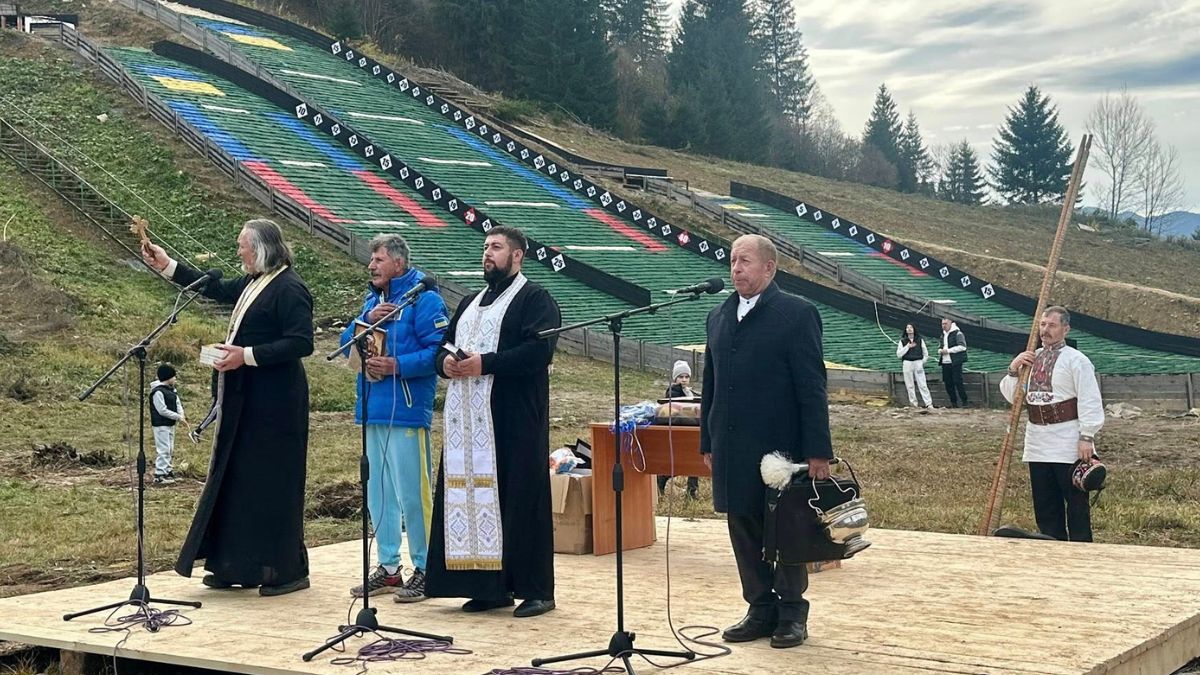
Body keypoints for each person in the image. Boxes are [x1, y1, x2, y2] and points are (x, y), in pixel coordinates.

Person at [142, 218, 314, 597]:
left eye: (243, 246)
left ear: (262, 248)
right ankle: (236, 564)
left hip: (276, 405)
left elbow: (301, 343)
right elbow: (215, 287)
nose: (238, 252)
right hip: (244, 399)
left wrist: (246, 356)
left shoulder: (290, 288)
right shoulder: (254, 283)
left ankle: (283, 569)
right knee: (238, 479)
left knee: (271, 483)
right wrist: (167, 265)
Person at [701, 234, 833, 649]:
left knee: (784, 531)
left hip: (780, 450)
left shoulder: (796, 314)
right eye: (732, 260)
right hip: (731, 445)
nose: (735, 268)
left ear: (769, 268)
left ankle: (792, 612)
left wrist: (818, 451)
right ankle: (760, 608)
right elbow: (711, 384)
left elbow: (812, 387)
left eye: (744, 261)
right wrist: (707, 439)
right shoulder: (719, 316)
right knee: (742, 525)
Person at [424, 226, 561, 618]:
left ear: (517, 256)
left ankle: (537, 589)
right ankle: (487, 587)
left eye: (496, 247)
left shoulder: (536, 299)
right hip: (467, 425)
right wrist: (445, 364)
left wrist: (486, 363)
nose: (488, 253)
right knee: (474, 500)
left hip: (514, 419)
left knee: (522, 500)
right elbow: (443, 348)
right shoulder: (468, 301)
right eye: (485, 247)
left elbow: (539, 352)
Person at [339, 234, 448, 602]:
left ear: (398, 264)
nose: (371, 264)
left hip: (405, 412)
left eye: (379, 259)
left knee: (414, 495)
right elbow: (345, 344)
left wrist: (397, 365)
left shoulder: (425, 299)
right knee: (378, 493)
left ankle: (426, 567)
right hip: (372, 409)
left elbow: (438, 353)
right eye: (372, 258)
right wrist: (364, 319)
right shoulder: (373, 301)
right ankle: (388, 568)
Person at [1000, 306, 1104, 542]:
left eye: (1052, 325)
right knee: (1045, 503)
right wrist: (1014, 369)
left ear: (1065, 329)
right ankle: (1051, 545)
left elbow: (1090, 398)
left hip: (1068, 440)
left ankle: (1081, 550)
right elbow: (1014, 398)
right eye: (1043, 325)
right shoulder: (1031, 357)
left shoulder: (1077, 361)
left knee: (1076, 504)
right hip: (1037, 440)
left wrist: (1087, 435)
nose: (1045, 330)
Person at [658, 359, 700, 499]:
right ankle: (662, 480)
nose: (684, 379)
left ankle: (691, 492)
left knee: (694, 462)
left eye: (686, 377)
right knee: (680, 462)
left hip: (692, 430)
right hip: (679, 431)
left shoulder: (691, 393)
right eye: (681, 377)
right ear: (675, 378)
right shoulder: (673, 393)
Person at [149, 363, 186, 485]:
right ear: (167, 377)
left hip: (170, 424)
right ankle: (159, 474)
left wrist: (181, 415)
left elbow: (178, 403)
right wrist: (177, 417)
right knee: (163, 449)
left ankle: (168, 471)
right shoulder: (158, 392)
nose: (175, 379)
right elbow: (162, 410)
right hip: (161, 425)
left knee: (170, 448)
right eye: (173, 376)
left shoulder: (171, 390)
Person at [896, 324, 934, 409]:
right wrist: (907, 347)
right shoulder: (902, 341)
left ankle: (928, 403)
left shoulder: (920, 340)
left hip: (917, 362)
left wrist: (921, 362)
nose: (909, 329)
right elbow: (899, 354)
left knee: (922, 383)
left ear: (914, 329)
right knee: (909, 384)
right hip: (907, 363)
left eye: (911, 327)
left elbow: (925, 353)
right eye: (907, 328)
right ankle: (913, 403)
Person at [939, 318, 969, 408]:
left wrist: (948, 351)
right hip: (945, 362)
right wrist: (940, 350)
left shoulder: (958, 333)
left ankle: (964, 401)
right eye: (942, 324)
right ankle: (953, 402)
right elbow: (941, 345)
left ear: (951, 323)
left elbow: (963, 347)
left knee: (958, 381)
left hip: (955, 362)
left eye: (945, 323)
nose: (944, 326)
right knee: (948, 383)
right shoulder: (943, 335)